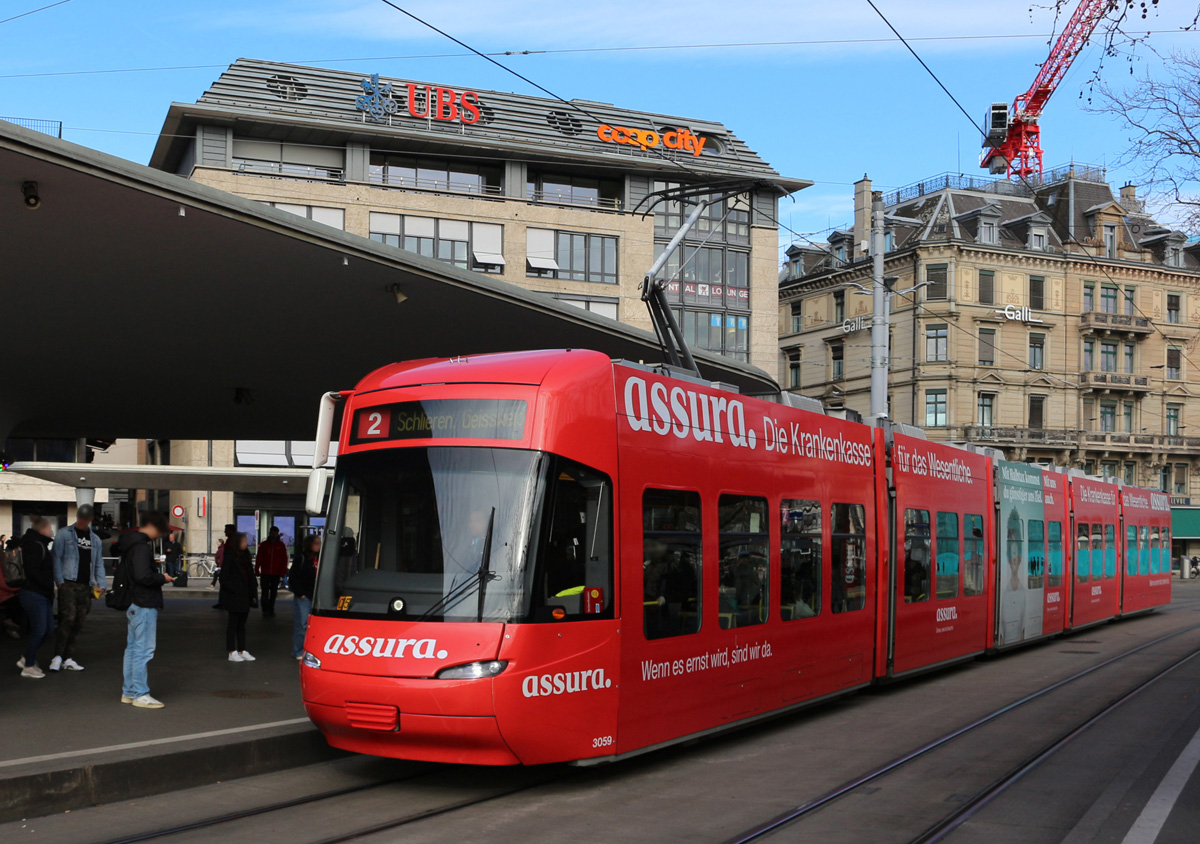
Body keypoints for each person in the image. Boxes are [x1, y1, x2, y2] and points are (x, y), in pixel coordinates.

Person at [118, 510, 174, 708]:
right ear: (152, 525)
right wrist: (162, 578)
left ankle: (129, 691)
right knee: (143, 650)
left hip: (133, 602)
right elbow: (143, 576)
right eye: (160, 529)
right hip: (144, 603)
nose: (161, 533)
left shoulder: (129, 544)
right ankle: (141, 693)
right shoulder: (141, 547)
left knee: (133, 649)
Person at [49, 503, 107, 672]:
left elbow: (98, 564)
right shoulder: (64, 534)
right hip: (68, 583)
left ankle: (67, 657)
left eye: (85, 519)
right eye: (80, 518)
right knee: (67, 619)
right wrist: (59, 582)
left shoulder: (95, 539)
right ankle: (58, 655)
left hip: (85, 586)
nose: (82, 521)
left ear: (90, 519)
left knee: (78, 622)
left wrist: (101, 584)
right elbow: (56, 558)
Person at [16, 518, 56, 678]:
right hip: (34, 593)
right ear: (43, 529)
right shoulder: (35, 545)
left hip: (40, 594)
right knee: (40, 630)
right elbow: (33, 572)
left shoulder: (38, 544)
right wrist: (48, 585)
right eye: (50, 528)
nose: (52, 531)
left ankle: (27, 658)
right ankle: (28, 665)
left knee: (47, 629)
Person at [221, 532, 257, 662]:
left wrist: (253, 590)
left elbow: (250, 575)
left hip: (245, 595)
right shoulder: (230, 556)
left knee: (242, 625)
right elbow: (223, 578)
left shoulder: (246, 556)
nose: (246, 544)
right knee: (233, 624)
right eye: (243, 541)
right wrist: (235, 589)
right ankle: (232, 651)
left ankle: (242, 650)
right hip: (235, 596)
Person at [288, 534, 319, 659]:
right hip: (304, 596)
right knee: (301, 624)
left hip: (317, 596)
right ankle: (298, 651)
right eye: (316, 543)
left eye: (319, 543)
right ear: (309, 544)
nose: (318, 545)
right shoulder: (301, 558)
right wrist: (300, 593)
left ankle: (311, 650)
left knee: (314, 625)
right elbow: (293, 577)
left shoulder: (321, 558)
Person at [254, 525, 288, 618]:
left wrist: (282, 572)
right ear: (270, 533)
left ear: (277, 534)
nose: (273, 535)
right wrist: (257, 569)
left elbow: (284, 560)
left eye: (275, 533)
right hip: (265, 572)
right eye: (272, 533)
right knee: (265, 593)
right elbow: (259, 558)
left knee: (273, 593)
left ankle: (271, 609)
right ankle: (265, 609)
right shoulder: (264, 545)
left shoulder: (281, 545)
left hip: (275, 573)